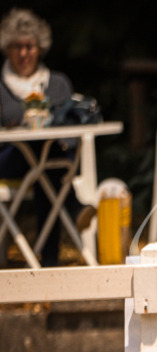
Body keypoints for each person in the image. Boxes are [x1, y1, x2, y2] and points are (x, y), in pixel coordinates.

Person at [0, 8, 94, 267]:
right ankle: (72, 211)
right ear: (7, 49)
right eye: (17, 46)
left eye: (29, 46)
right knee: (45, 157)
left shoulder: (58, 84)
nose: (23, 53)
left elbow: (70, 124)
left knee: (45, 166)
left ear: (39, 48)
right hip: (9, 158)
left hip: (52, 158)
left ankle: (47, 260)